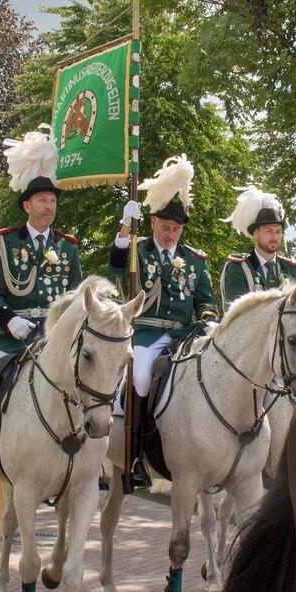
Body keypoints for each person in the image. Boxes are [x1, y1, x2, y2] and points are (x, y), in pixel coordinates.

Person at [0, 136, 82, 493]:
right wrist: (10, 321)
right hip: (11, 337)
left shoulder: (67, 246)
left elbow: (77, 298)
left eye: (52, 200)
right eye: (42, 200)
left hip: (54, 338)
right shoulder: (5, 242)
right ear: (27, 205)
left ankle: (85, 460)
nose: (49, 206)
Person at [110, 155, 218, 489]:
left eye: (176, 229)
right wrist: (124, 229)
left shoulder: (194, 259)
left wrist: (208, 319)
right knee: (141, 379)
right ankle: (137, 454)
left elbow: (205, 298)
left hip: (186, 336)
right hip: (147, 333)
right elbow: (115, 265)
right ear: (153, 223)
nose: (171, 234)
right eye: (165, 227)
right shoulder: (137, 252)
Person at [219, 186, 296, 308]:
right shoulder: (238, 267)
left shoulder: (291, 269)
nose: (274, 236)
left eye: (278, 231)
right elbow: (236, 314)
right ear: (255, 233)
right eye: (269, 231)